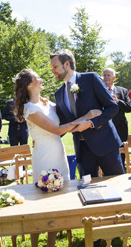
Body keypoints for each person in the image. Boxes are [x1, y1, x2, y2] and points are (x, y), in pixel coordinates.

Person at [13, 68, 101, 247]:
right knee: (42, 199)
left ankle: (51, 244)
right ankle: (35, 244)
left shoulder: (48, 103)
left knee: (58, 196)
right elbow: (58, 130)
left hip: (58, 152)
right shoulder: (30, 108)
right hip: (44, 155)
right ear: (30, 84)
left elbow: (69, 114)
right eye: (38, 78)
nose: (42, 79)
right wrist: (87, 116)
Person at [51, 49, 125, 178]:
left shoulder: (91, 78)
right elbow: (63, 124)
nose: (53, 71)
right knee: (88, 190)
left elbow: (112, 107)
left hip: (106, 145)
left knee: (117, 182)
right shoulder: (59, 94)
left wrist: (91, 123)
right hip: (82, 150)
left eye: (55, 66)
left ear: (67, 64)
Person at [102, 68, 131, 168]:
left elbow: (129, 108)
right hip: (104, 128)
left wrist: (118, 101)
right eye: (104, 75)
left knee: (121, 155)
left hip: (120, 129)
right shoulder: (99, 90)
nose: (106, 77)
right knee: (106, 156)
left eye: (108, 75)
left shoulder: (122, 91)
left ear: (114, 77)